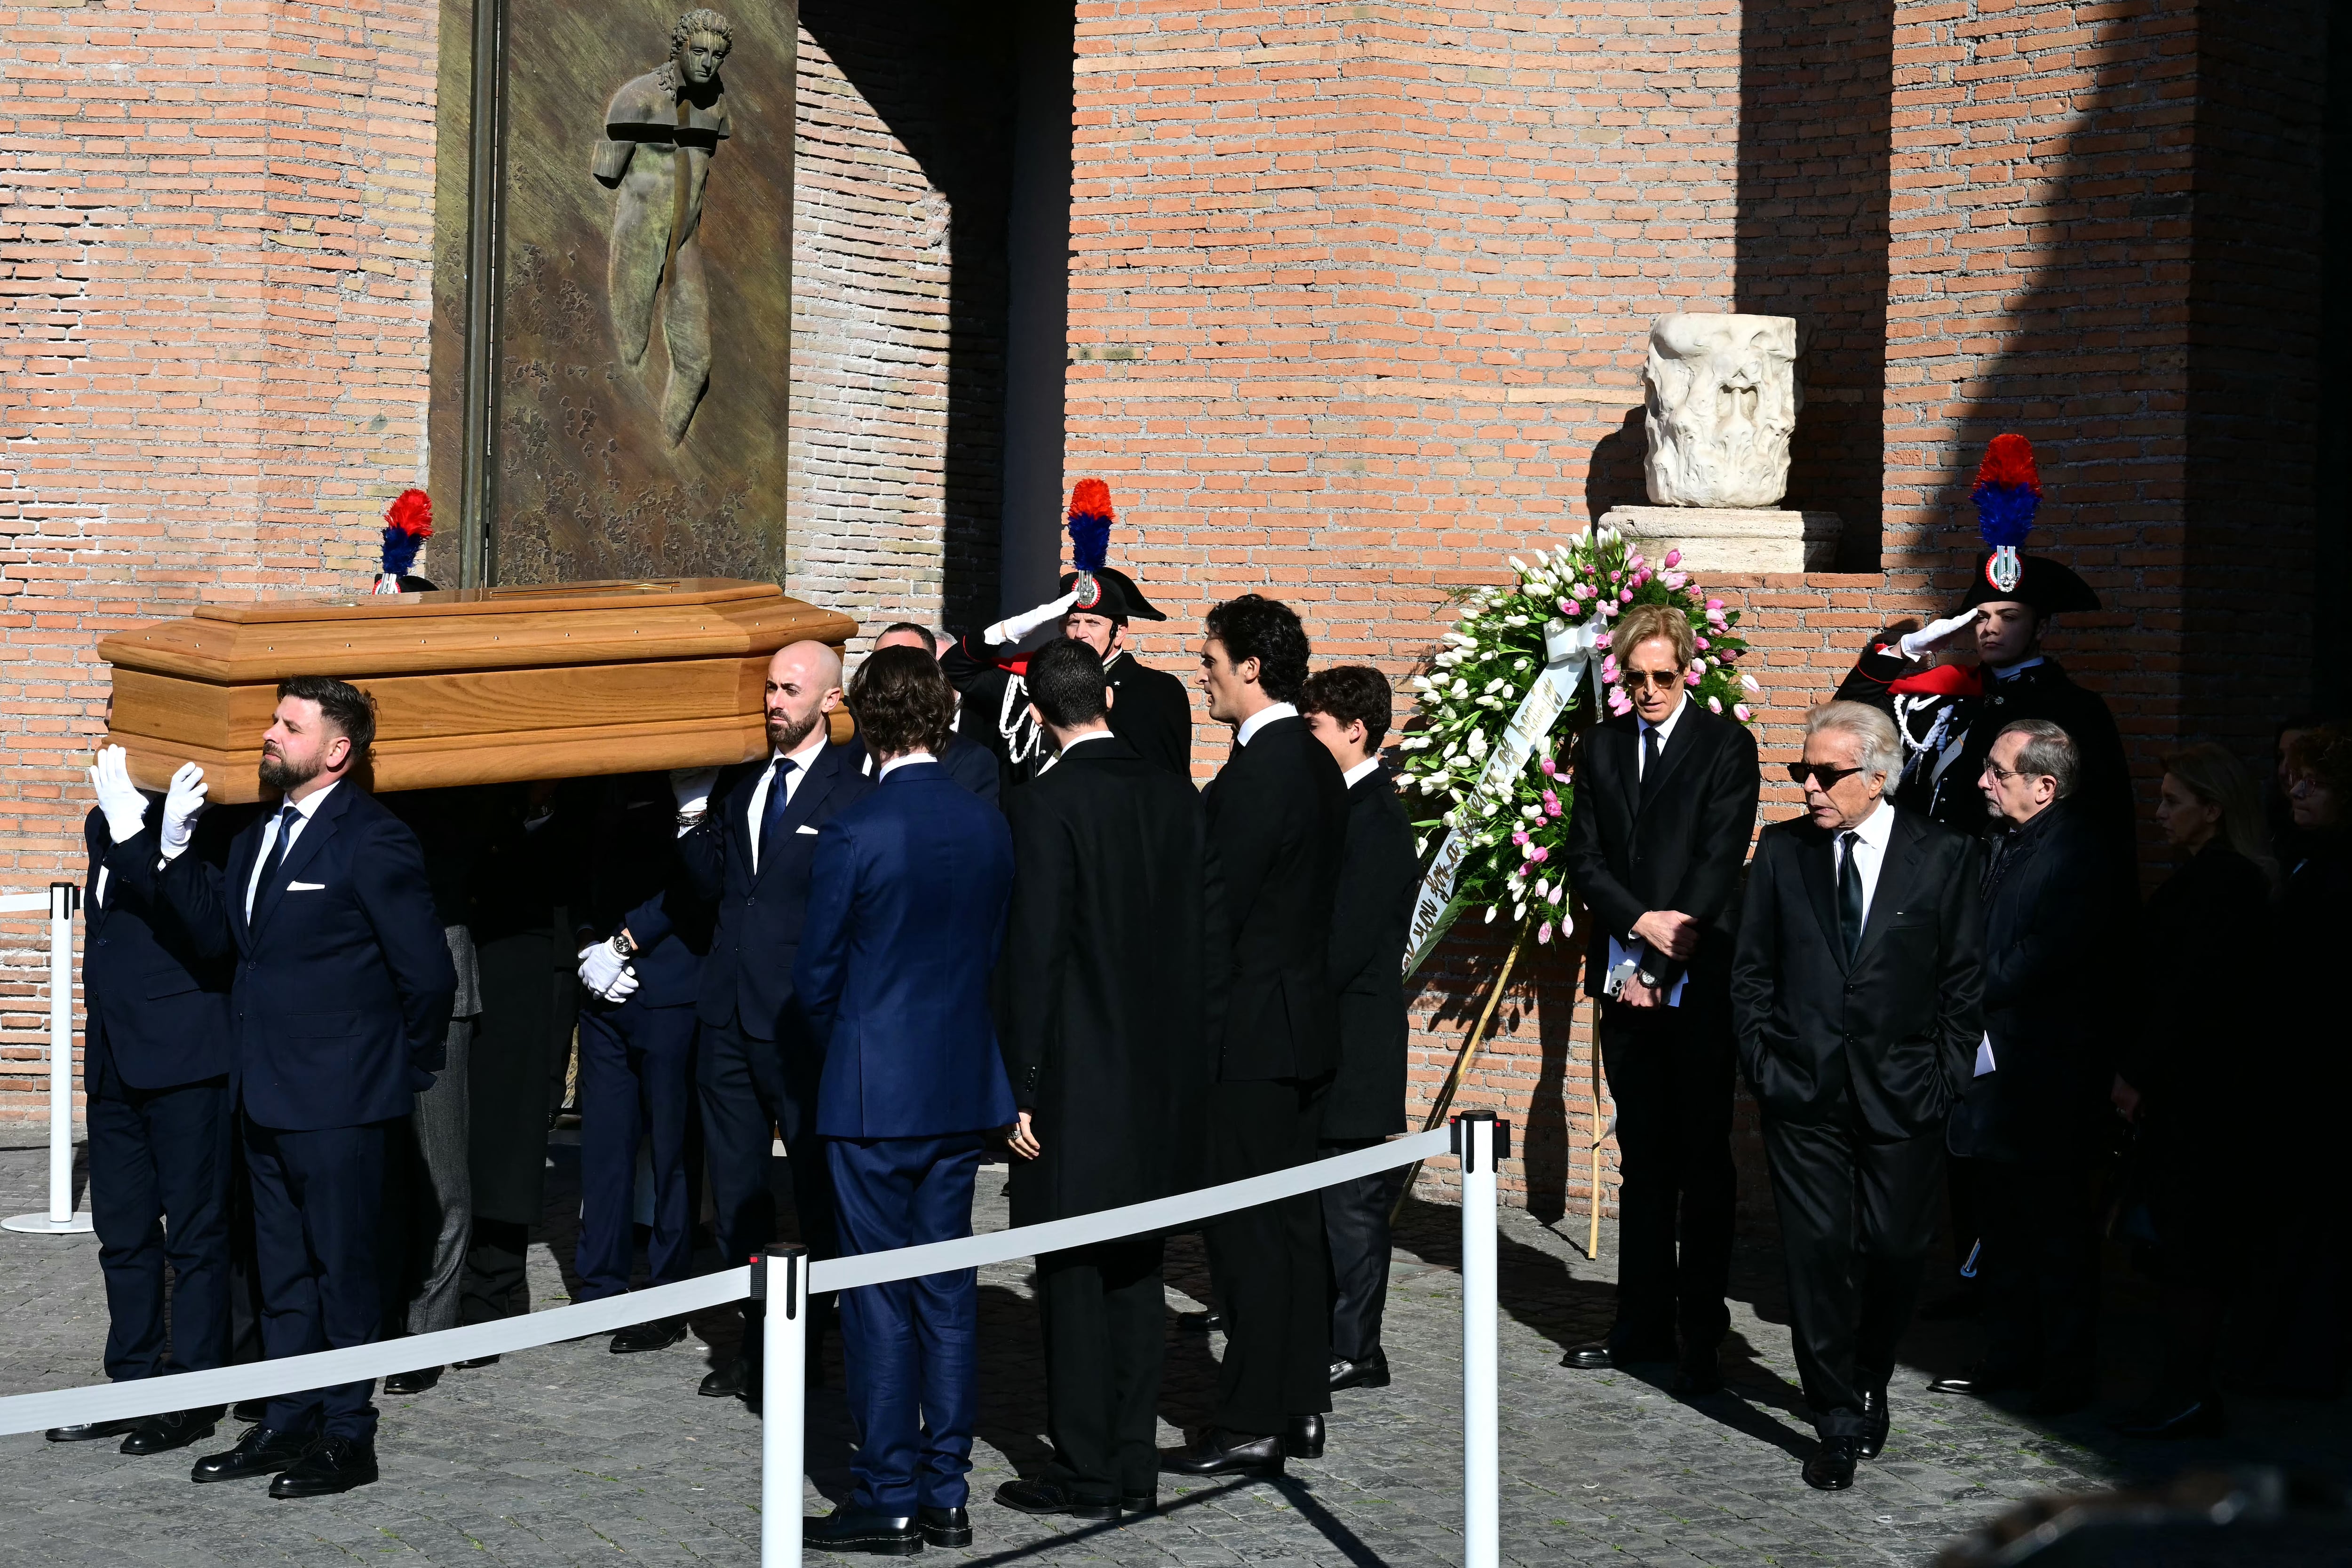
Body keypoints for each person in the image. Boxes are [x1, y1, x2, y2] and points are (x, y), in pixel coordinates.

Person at [157, 676, 459, 1497]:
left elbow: (426, 976)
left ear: (336, 749)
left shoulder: (374, 840)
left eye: (288, 724)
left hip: (345, 1100)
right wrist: (175, 849)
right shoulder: (258, 836)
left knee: (345, 1271)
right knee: (283, 1271)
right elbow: (227, 941)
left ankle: (345, 1432)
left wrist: (402, 1068)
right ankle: (286, 1420)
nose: (268, 731)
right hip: (263, 1096)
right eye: (274, 718)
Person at [794, 646, 1017, 1554]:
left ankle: (887, 1490)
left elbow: (815, 978)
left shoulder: (857, 828)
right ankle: (946, 1487)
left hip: (873, 1089)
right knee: (948, 1288)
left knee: (880, 1293)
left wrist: (844, 1039)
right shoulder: (987, 824)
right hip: (960, 1079)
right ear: (943, 717)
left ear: (865, 723)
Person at [993, 638, 1221, 1522]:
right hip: (1161, 1082)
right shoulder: (1178, 798)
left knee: (1075, 1279)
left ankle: (1089, 1468)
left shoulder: (1044, 803)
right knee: (1139, 1274)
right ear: (1108, 701)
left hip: (1079, 1087)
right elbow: (1207, 946)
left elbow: (1036, 953)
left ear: (1041, 715)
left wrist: (1020, 1084)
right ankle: (1132, 1461)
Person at [1731, 701, 1984, 1492]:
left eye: (1826, 772)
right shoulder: (1780, 851)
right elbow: (1751, 974)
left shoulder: (1942, 853)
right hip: (1802, 1093)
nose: (1809, 784)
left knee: (1897, 1248)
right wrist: (1767, 1065)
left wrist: (1944, 1079)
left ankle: (1872, 1369)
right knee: (1816, 1254)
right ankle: (1835, 1414)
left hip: (1905, 1094)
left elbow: (1963, 978)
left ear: (1877, 776)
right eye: (1801, 770)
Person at [1556, 603, 1762, 1394]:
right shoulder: (1603, 746)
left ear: (1686, 670)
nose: (1647, 689)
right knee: (1642, 1157)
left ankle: (1700, 1329)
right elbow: (1585, 852)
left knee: (1701, 1158)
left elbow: (1720, 854)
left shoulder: (1725, 745)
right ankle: (1638, 1321)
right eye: (1634, 677)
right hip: (1621, 971)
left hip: (1694, 976)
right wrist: (1637, 925)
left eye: (1661, 676)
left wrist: (1665, 952)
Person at [1165, 593, 1346, 1481]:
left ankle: (1249, 1417)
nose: (1203, 671)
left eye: (1210, 659)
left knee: (1247, 1234)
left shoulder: (1262, 770)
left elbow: (1217, 917)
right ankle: (1299, 1399)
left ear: (1250, 667)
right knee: (1291, 1227)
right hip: (1302, 1025)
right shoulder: (1312, 760)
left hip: (1252, 1037)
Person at [677, 640, 875, 1402]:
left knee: (818, 1190)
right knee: (736, 1190)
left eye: (790, 689)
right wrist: (690, 813)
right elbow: (715, 887)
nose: (774, 701)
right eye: (769, 688)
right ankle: (756, 1344)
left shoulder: (853, 787)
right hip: (725, 1011)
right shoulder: (741, 781)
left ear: (830, 699)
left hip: (799, 1018)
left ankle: (813, 1343)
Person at [47, 748, 242, 1454]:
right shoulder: (107, 816)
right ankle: (131, 1381)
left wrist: (151, 841)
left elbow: (208, 931)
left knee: (195, 1236)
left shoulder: (208, 825)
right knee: (124, 1235)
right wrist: (125, 831)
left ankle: (191, 1391)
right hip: (115, 1058)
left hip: (188, 1058)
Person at [1929, 720, 2113, 1416]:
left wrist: (1962, 985)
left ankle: (2065, 1375)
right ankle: (2006, 1356)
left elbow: (2048, 950)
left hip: (2045, 1071)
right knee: (1999, 1221)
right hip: (1993, 1066)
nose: (1983, 780)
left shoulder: (2078, 849)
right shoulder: (1999, 841)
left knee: (2055, 1229)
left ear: (2045, 785)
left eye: (1998, 771)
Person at [2109, 742, 2276, 1438]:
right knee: (2180, 1248)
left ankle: (2187, 1390)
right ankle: (2183, 1386)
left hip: (2201, 1100)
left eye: (2175, 800)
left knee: (2191, 1252)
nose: (2160, 813)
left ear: (2213, 809)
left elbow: (2190, 994)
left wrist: (2137, 1074)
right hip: (2194, 1093)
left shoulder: (2225, 882)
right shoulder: (2213, 876)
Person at [1298, 665, 1419, 1395]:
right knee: (1323, 1198)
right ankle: (1325, 1330)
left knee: (1351, 1203)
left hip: (1355, 1039)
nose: (1309, 739)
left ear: (1356, 730)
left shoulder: (1376, 816)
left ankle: (1357, 1346)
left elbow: (1345, 940)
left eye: (1316, 725)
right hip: (1327, 1032)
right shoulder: (1338, 804)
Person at [569, 770, 712, 1352]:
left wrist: (626, 941)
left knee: (673, 1148)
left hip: (670, 978)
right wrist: (587, 944)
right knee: (604, 1145)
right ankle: (597, 1287)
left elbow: (702, 881)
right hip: (603, 982)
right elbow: (583, 861)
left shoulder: (710, 785)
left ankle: (666, 1294)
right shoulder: (609, 773)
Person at [941, 484, 1192, 789]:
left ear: (1120, 632)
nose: (1081, 633)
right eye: (1073, 622)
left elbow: (1171, 787)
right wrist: (1013, 628)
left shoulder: (1155, 691)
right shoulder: (1027, 679)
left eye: (1094, 623)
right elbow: (955, 669)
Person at [375, 786, 489, 1397]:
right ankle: (374, 1324)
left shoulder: (448, 799)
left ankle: (428, 1335)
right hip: (363, 989)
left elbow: (460, 854)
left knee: (442, 1176)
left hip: (442, 990)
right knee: (373, 1178)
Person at [2258, 726, 2352, 1398]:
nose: (2295, 789)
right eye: (2294, 775)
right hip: (2298, 1071)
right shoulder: (2305, 856)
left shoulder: (2338, 869)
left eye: (2313, 781)